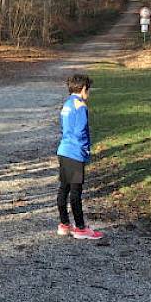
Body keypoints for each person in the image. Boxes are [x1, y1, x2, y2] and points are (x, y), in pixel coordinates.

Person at [56, 74, 103, 240]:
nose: (88, 92)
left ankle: (64, 224)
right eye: (88, 89)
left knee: (64, 188)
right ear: (83, 89)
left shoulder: (67, 104)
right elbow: (81, 131)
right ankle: (80, 228)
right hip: (75, 153)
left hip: (63, 150)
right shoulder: (81, 106)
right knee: (76, 192)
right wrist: (85, 149)